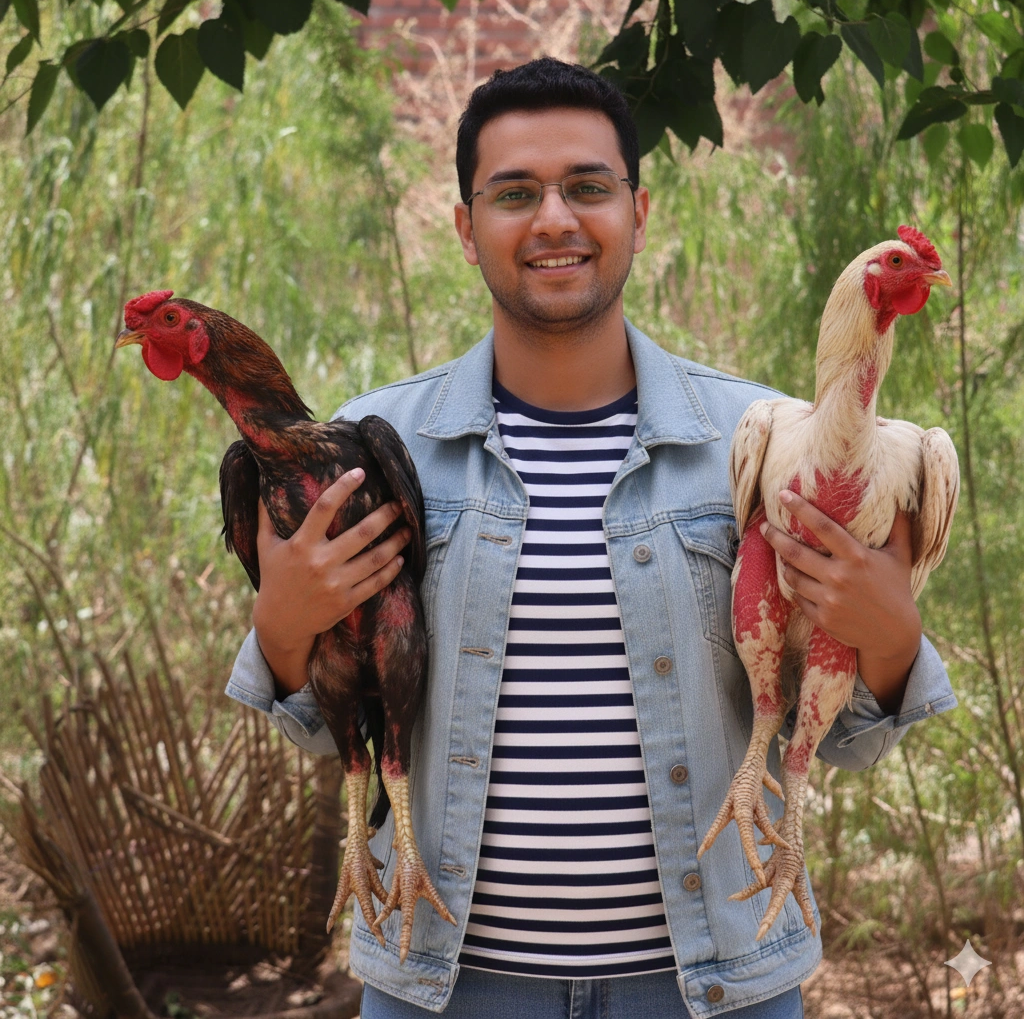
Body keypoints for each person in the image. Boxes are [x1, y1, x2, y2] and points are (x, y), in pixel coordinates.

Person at [226, 58, 957, 1018]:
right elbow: (332, 722)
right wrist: (282, 629)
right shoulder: (371, 447)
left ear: (639, 213)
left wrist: (892, 637)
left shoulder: (768, 441)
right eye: (516, 193)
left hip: (714, 987)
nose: (556, 220)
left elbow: (849, 742)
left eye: (588, 187)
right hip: (447, 987)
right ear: (465, 225)